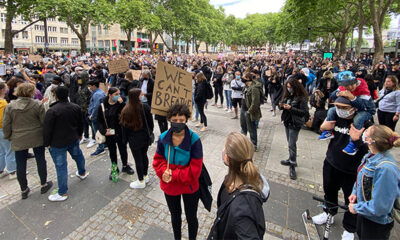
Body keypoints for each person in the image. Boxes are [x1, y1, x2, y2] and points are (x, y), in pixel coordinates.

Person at [312, 96, 371, 240]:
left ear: (353, 107)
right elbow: (321, 129)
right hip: (332, 162)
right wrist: (322, 127)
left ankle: (349, 228)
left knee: (350, 199)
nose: (340, 110)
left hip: (352, 169)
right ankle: (329, 213)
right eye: (337, 107)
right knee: (329, 190)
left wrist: (359, 139)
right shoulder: (335, 116)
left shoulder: (363, 121)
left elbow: (371, 146)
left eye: (344, 108)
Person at [153, 103, 203, 240]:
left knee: (191, 217)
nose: (178, 123)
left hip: (189, 186)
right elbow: (158, 160)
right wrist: (163, 171)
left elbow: (195, 171)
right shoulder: (163, 138)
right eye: (174, 120)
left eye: (181, 120)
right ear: (169, 120)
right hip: (170, 186)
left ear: (186, 119)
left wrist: (174, 174)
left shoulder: (194, 140)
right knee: (175, 216)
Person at [208, 132, 269, 239]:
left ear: (227, 158)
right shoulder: (231, 180)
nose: (222, 150)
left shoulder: (242, 210)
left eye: (224, 147)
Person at [349, 125, 400, 240]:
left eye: (367, 132)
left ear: (371, 141)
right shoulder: (370, 156)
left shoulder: (386, 169)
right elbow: (361, 178)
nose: (364, 132)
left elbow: (380, 207)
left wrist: (357, 208)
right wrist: (355, 193)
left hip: (376, 224)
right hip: (365, 215)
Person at [2, 83, 53, 199]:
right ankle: (44, 183)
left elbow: (6, 124)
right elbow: (44, 121)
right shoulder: (37, 105)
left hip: (18, 137)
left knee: (20, 164)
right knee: (40, 160)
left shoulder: (10, 106)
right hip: (36, 136)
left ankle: (24, 189)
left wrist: (9, 136)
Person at [44, 86, 88, 202]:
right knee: (78, 156)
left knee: (61, 166)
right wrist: (80, 134)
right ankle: (82, 172)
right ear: (68, 94)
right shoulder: (75, 107)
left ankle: (62, 192)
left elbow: (47, 129)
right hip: (73, 138)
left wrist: (47, 143)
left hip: (58, 143)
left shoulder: (52, 111)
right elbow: (80, 123)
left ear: (56, 96)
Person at [319, 71, 376, 156]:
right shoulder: (342, 87)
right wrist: (337, 93)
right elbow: (332, 96)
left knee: (358, 118)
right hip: (351, 107)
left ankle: (353, 143)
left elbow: (363, 106)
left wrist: (353, 98)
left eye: (351, 84)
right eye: (346, 86)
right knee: (331, 110)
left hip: (366, 109)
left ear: (355, 81)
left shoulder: (363, 88)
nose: (349, 87)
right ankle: (329, 131)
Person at [97, 87, 134, 180]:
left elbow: (128, 114)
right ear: (110, 95)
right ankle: (114, 168)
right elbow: (99, 120)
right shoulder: (102, 105)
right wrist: (104, 131)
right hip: (109, 133)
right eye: (116, 94)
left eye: (119, 94)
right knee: (112, 151)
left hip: (120, 132)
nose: (118, 96)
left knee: (123, 150)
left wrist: (122, 104)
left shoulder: (121, 104)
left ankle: (125, 166)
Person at [120, 88, 153, 189]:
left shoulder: (125, 110)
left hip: (134, 139)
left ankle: (141, 180)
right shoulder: (145, 107)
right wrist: (149, 133)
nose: (143, 95)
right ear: (137, 96)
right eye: (141, 94)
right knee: (144, 156)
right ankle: (145, 175)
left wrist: (124, 140)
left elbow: (124, 127)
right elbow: (150, 124)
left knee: (138, 159)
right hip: (144, 137)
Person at [279, 77, 309, 180]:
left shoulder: (301, 98)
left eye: (290, 87)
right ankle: (290, 159)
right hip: (287, 121)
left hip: (295, 123)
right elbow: (282, 105)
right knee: (289, 143)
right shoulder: (288, 95)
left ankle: (292, 164)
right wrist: (281, 105)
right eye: (287, 87)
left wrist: (291, 108)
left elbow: (304, 112)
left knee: (292, 144)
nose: (288, 89)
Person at [240, 72, 262, 151]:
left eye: (243, 77)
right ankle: (242, 143)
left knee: (251, 128)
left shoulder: (254, 88)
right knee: (243, 127)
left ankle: (254, 144)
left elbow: (255, 102)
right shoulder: (245, 86)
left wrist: (250, 111)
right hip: (243, 108)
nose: (241, 78)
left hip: (249, 111)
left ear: (248, 78)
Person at [0, 82, 16, 179]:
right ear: (2, 90)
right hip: (3, 129)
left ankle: (1, 170)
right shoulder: (3, 103)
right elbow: (5, 119)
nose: (7, 88)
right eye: (6, 87)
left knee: (1, 150)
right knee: (10, 149)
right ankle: (12, 171)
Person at [87, 80, 106, 155]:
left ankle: (100, 148)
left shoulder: (97, 94)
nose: (89, 88)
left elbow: (96, 107)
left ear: (94, 86)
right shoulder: (98, 93)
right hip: (98, 116)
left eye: (90, 86)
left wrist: (92, 116)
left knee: (98, 133)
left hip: (96, 117)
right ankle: (104, 144)